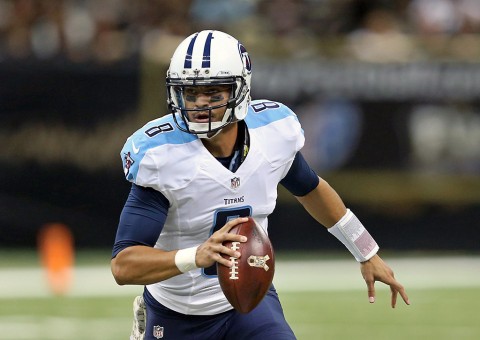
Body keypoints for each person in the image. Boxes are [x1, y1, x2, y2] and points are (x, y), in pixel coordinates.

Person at [111, 30, 410, 340]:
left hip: (250, 300)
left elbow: (311, 188)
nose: (200, 103)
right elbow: (123, 265)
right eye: (190, 92)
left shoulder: (271, 134)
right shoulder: (162, 156)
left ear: (240, 91)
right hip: (179, 313)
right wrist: (195, 255)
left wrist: (366, 251)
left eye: (213, 92)